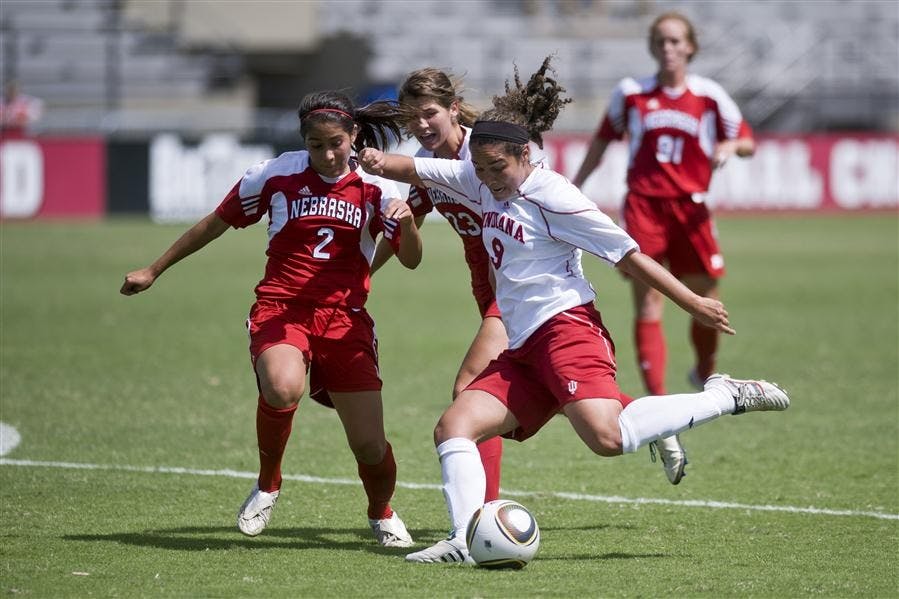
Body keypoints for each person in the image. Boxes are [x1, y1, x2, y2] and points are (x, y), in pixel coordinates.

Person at [359, 56, 788, 564]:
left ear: (524, 155)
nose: (491, 180)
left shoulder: (555, 195)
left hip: (565, 326)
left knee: (606, 438)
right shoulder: (473, 173)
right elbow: (406, 166)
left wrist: (693, 302)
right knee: (455, 425)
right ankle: (466, 538)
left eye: (499, 169)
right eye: (482, 170)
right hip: (521, 343)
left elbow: (630, 256)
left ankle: (724, 396)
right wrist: (364, 156)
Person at [120, 90, 423, 548]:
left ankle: (381, 513)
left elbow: (413, 261)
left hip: (345, 320)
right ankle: (267, 484)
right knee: (283, 387)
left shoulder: (378, 187)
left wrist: (406, 224)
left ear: (354, 136)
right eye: (316, 144)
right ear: (304, 140)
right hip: (281, 308)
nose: (327, 153)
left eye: (336, 143)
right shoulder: (275, 174)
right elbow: (215, 222)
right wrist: (154, 269)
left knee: (369, 445)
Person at [571, 12, 757, 485]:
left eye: (675, 41)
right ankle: (659, 405)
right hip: (644, 208)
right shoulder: (631, 92)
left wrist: (731, 150)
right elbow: (602, 140)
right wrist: (575, 187)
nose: (668, 48)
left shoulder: (710, 95)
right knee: (649, 299)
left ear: (690, 47)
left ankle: (706, 369)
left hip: (691, 210)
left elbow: (747, 139)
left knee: (704, 299)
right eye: (660, 41)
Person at [369, 68, 506, 502]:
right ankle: (639, 419)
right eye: (411, 118)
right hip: (485, 285)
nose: (421, 125)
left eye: (429, 113)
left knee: (472, 391)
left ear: (452, 109)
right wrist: (362, 274)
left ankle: (485, 512)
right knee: (545, 383)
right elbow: (405, 229)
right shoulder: (428, 168)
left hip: (518, 281)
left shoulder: (485, 151)